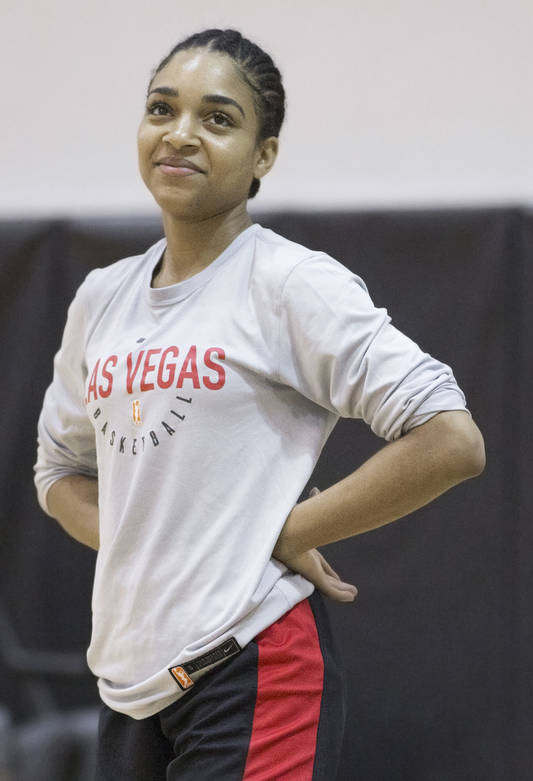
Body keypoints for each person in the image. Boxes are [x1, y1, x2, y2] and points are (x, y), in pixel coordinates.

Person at [33, 29, 485, 780]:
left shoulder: (289, 284)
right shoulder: (100, 297)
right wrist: (162, 541)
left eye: (217, 118)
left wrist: (275, 532)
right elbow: (59, 474)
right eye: (161, 109)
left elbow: (451, 438)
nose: (180, 134)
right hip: (130, 680)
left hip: (253, 663)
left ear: (263, 156)